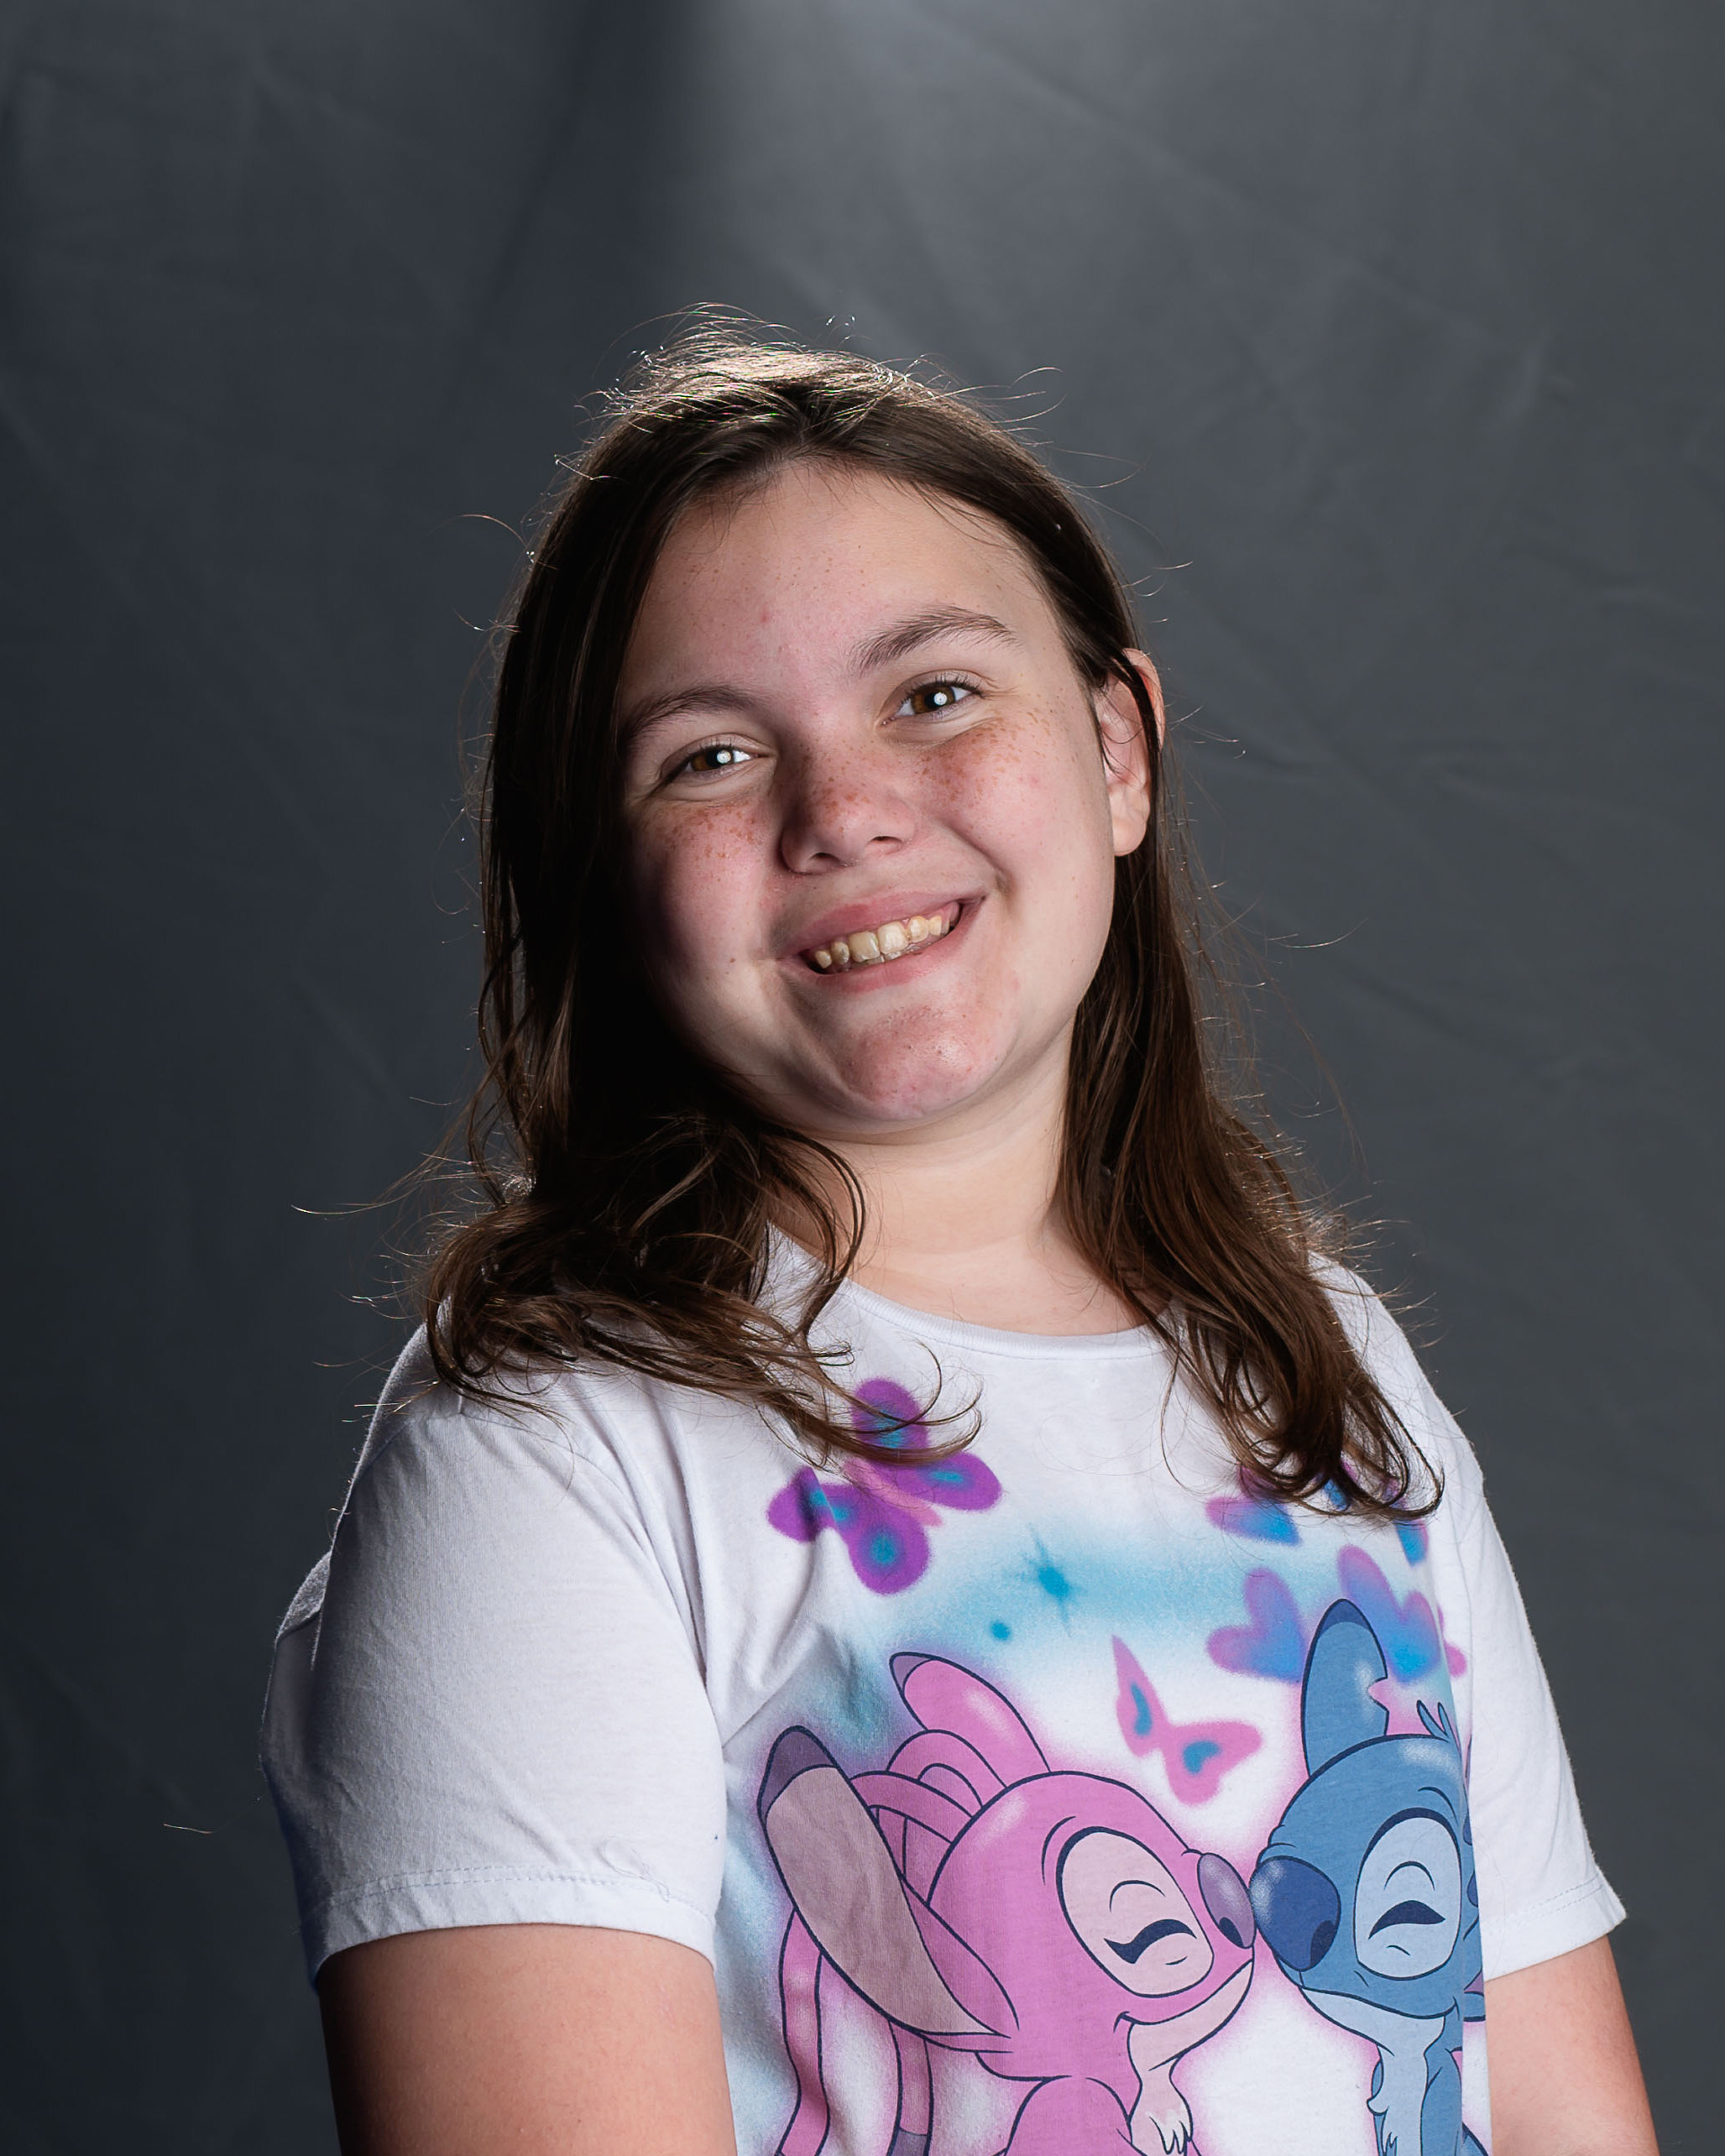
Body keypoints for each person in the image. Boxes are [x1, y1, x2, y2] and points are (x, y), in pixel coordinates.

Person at [263, 329, 1658, 2156]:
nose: (840, 810)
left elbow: (1557, 2110)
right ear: (600, 875)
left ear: (1116, 751)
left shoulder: (1327, 1369)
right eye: (708, 754)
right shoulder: (549, 1450)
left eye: (932, 694)